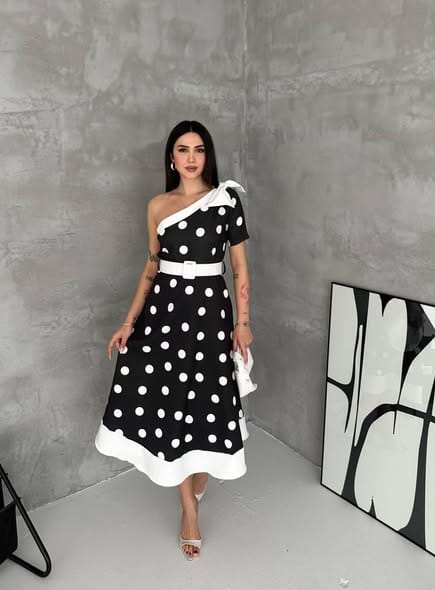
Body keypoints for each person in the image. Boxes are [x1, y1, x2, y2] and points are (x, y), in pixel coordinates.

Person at [94, 120, 253, 560]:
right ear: (171, 157)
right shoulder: (157, 206)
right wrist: (128, 322)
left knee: (207, 401)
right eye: (182, 149)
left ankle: (199, 474)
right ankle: (188, 508)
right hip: (163, 315)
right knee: (170, 403)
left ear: (208, 156)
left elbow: (240, 268)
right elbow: (151, 266)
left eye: (199, 150)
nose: (191, 158)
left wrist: (243, 322)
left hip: (210, 315)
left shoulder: (226, 201)